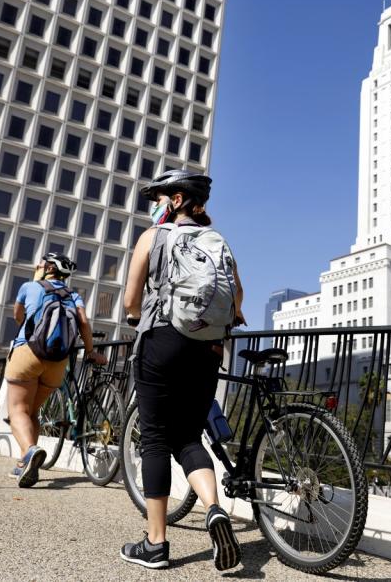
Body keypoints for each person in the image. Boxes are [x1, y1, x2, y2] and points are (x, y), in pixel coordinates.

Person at [121, 171, 245, 571]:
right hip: (208, 347)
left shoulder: (152, 237)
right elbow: (237, 295)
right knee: (190, 437)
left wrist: (134, 316)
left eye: (158, 199)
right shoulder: (217, 241)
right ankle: (214, 510)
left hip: (163, 341)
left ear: (174, 200)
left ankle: (155, 544)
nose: (154, 206)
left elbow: (130, 298)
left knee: (155, 438)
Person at [5, 252, 106, 487]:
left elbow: (17, 316)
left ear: (48, 267)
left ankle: (30, 451)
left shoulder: (30, 286)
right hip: (58, 361)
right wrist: (90, 352)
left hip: (28, 353)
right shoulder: (73, 295)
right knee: (32, 412)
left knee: (18, 411)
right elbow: (83, 322)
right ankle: (25, 464)